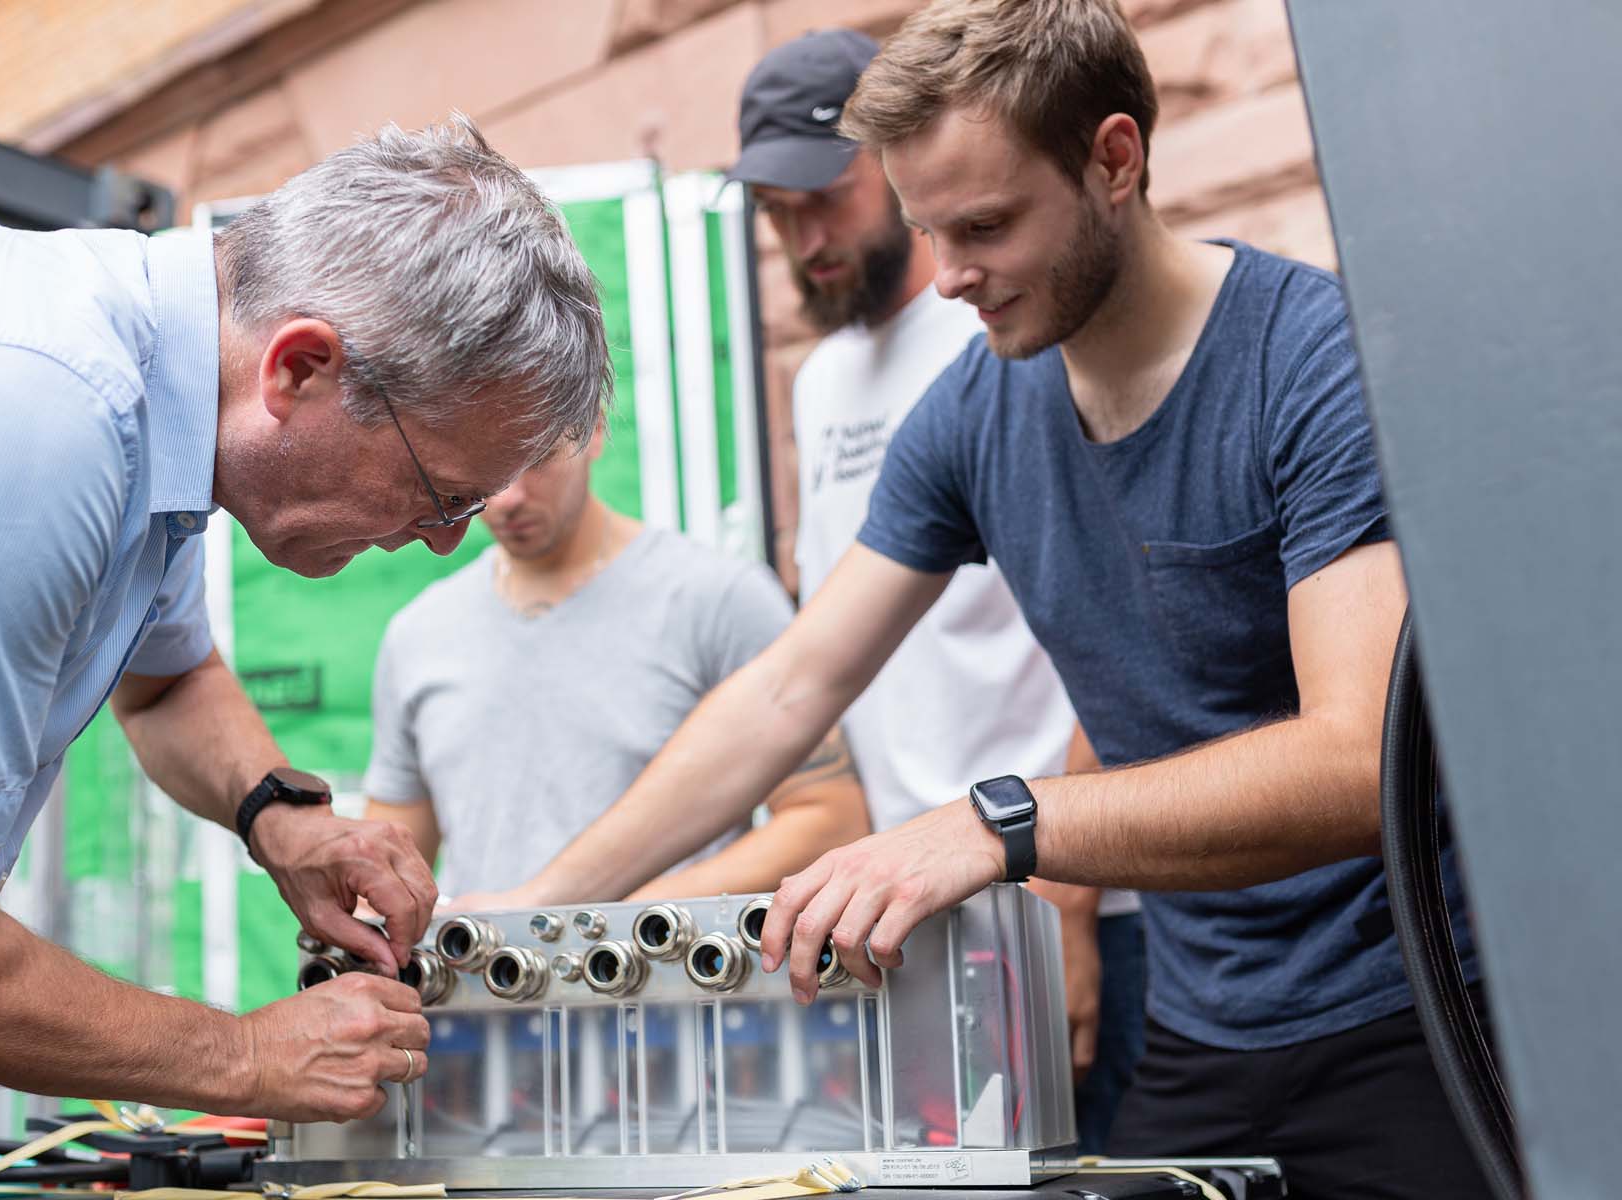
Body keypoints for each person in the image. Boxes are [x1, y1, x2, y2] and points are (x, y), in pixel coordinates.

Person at [488, 4, 1489, 1197]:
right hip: (1202, 1027)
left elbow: (1350, 764)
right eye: (927, 229)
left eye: (986, 226)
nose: (949, 275)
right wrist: (537, 912)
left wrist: (999, 823)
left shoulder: (1309, 360)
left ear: (1115, 160)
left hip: (1413, 1018)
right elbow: (793, 684)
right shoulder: (976, 410)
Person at [0, 115, 609, 1192]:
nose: (445, 537)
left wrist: (285, 817)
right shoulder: (22, 415)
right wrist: (251, 1057)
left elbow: (169, 681)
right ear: (302, 367)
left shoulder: (143, 392)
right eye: (442, 491)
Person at [725, 28, 1143, 1153]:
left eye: (825, 197)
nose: (805, 238)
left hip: (1067, 891)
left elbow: (1114, 625)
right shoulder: (817, 384)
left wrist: (1067, 906)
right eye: (775, 211)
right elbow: (822, 664)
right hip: (908, 914)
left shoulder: (1012, 324)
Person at [363, 420, 869, 903]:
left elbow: (827, 817)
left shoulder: (715, 597)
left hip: (662, 982)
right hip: (481, 987)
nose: (507, 498)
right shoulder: (418, 632)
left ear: (595, 429)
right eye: (483, 470)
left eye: (534, 458)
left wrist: (615, 921)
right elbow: (390, 863)